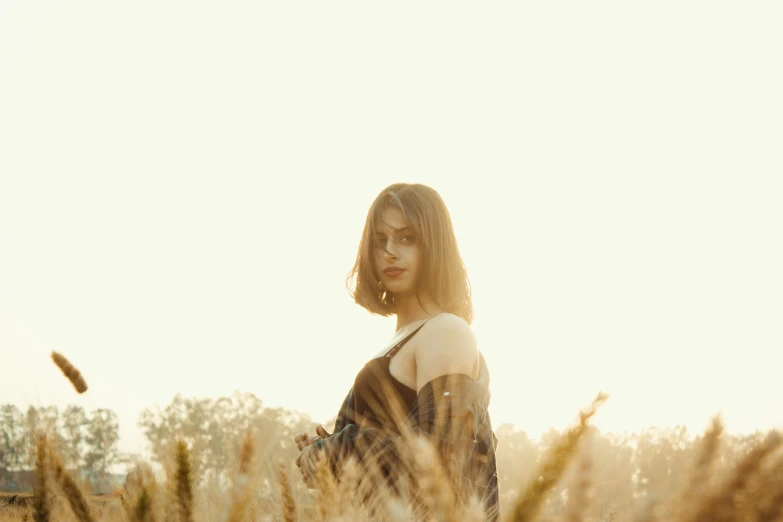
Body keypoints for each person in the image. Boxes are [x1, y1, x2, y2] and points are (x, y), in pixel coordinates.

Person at [293, 183, 499, 520]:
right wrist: (323, 456)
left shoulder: (445, 331)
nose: (389, 251)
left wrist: (339, 449)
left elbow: (441, 459)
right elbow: (392, 462)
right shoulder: (404, 338)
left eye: (407, 238)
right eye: (379, 241)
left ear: (435, 245)